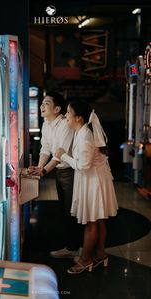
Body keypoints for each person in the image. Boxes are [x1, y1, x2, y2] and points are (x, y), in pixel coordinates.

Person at [55, 100, 118, 274]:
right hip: (95, 178)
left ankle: (85, 260)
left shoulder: (84, 137)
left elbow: (82, 165)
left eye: (68, 112)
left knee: (91, 222)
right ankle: (100, 254)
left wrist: (64, 156)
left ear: (79, 118)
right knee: (99, 219)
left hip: (93, 182)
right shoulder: (81, 131)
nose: (66, 116)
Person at [28, 91, 83, 258]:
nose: (41, 106)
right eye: (42, 103)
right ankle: (73, 247)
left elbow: (60, 154)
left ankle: (76, 248)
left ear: (57, 108)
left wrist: (43, 171)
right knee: (64, 211)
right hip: (60, 171)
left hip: (72, 171)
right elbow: (45, 149)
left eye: (46, 104)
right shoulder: (46, 123)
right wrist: (39, 167)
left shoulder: (65, 124)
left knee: (72, 211)